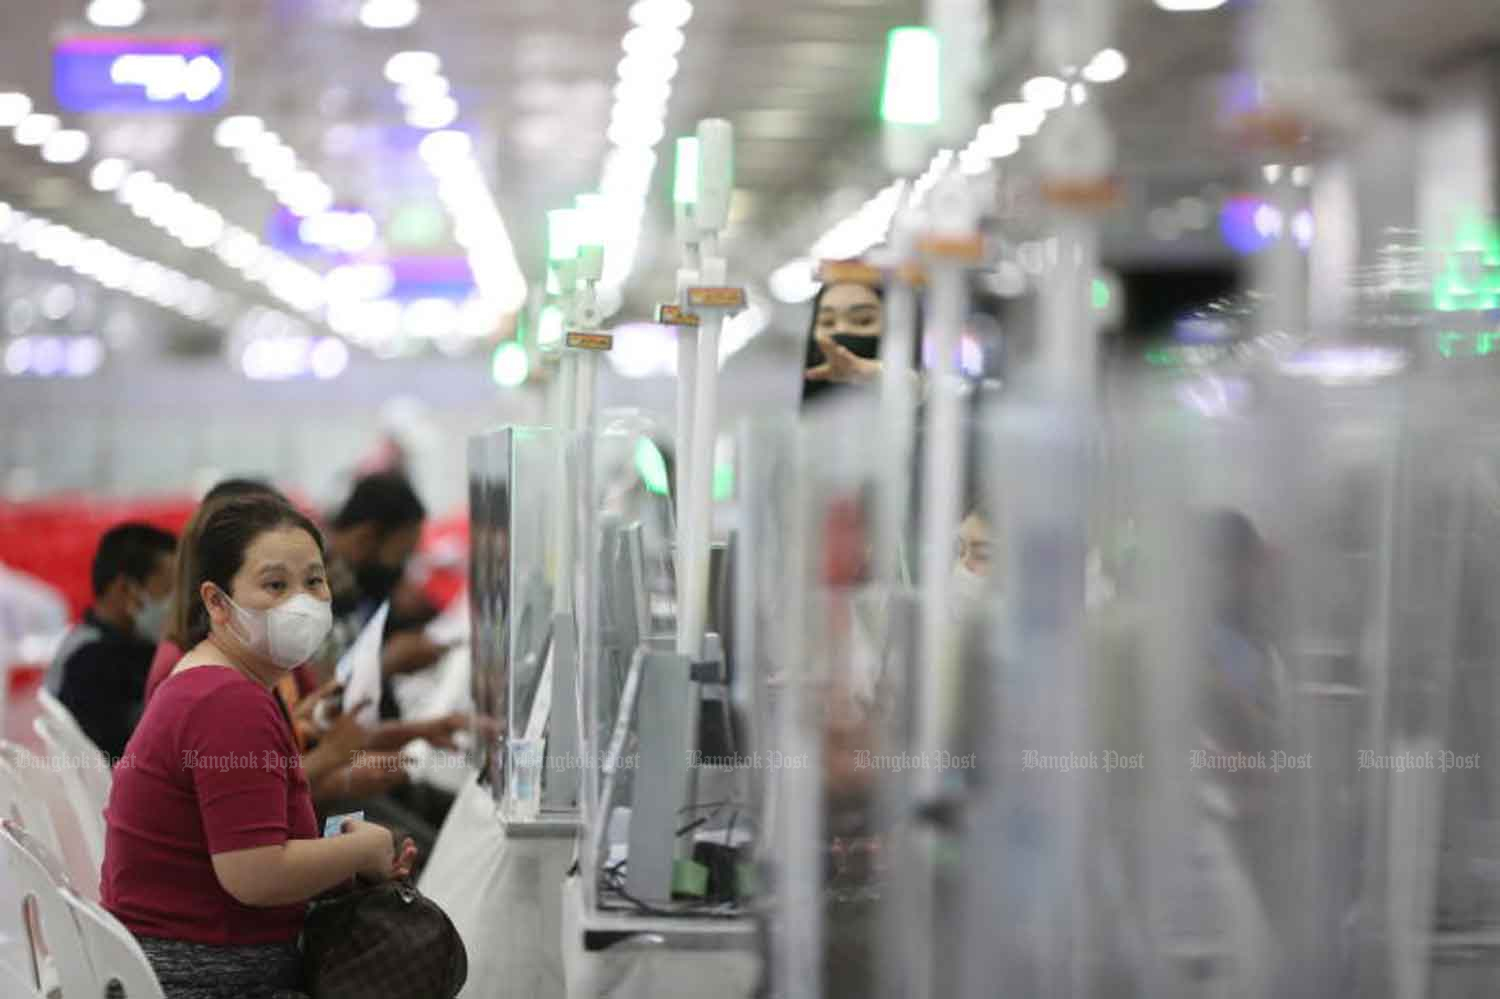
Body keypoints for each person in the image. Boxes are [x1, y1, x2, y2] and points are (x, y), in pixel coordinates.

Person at [102, 494, 416, 999]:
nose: (303, 601)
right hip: (205, 979)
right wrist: (367, 847)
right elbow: (255, 873)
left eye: (314, 581)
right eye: (275, 585)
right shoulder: (227, 703)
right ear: (216, 603)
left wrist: (342, 853)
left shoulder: (219, 683)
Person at [47, 523, 177, 760]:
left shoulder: (133, 648)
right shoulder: (88, 663)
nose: (176, 606)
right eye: (169, 590)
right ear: (126, 589)